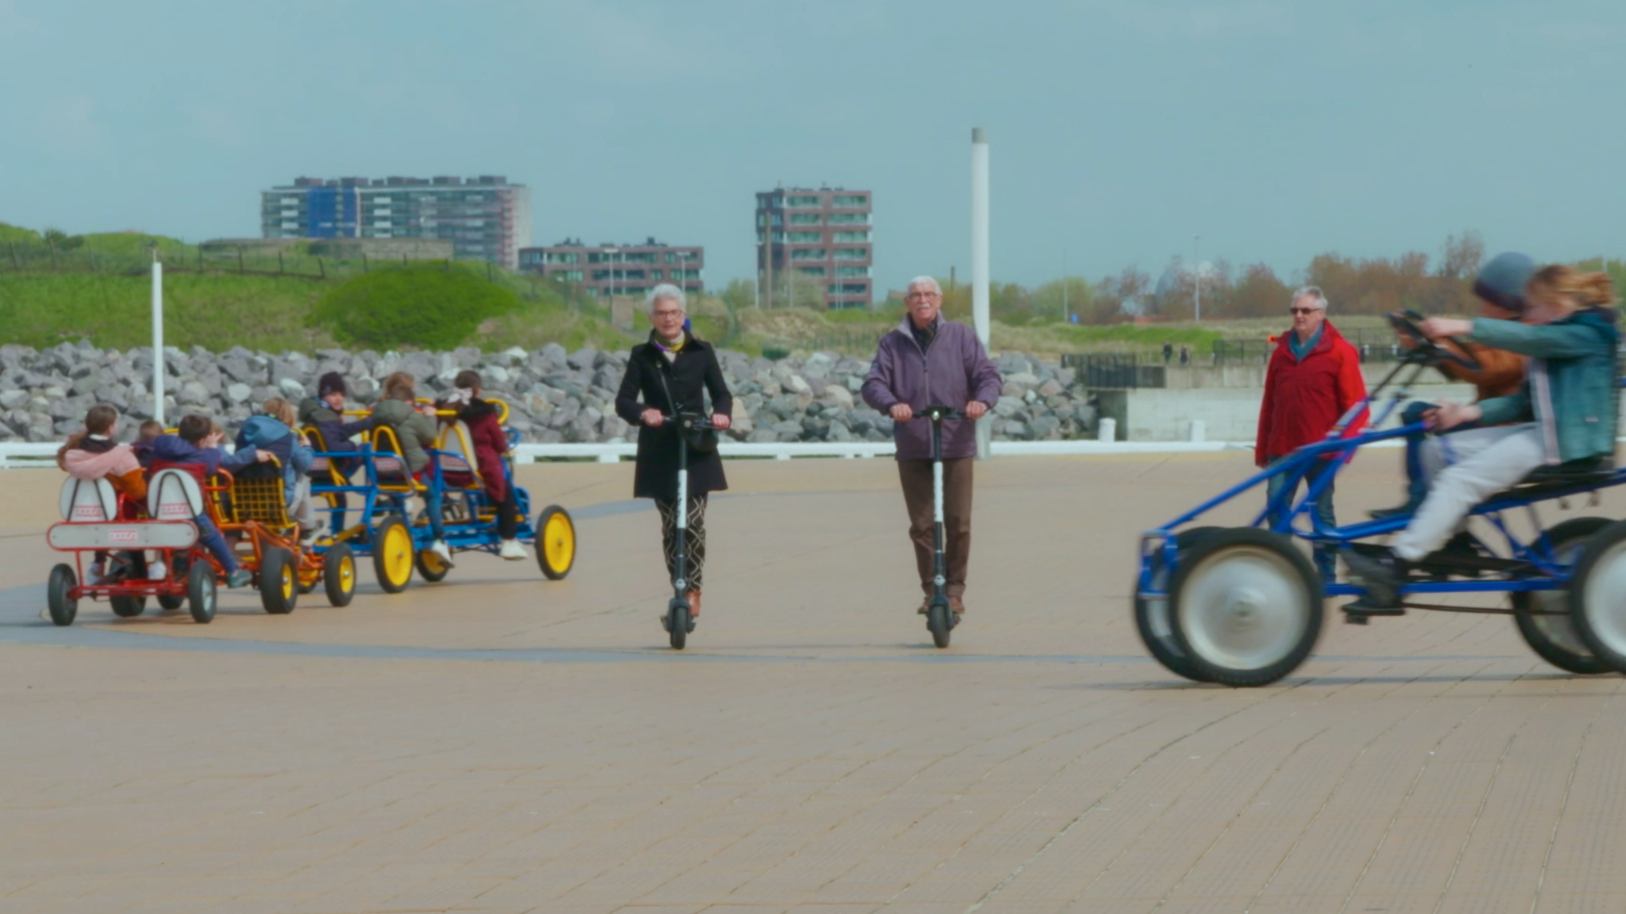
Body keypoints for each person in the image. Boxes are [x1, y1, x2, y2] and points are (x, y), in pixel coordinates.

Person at [1345, 265, 1620, 610]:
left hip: (1566, 445)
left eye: (1532, 308)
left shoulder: (1588, 334)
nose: (1528, 316)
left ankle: (1394, 566)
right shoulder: (1560, 335)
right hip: (1545, 432)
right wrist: (1465, 413)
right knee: (1435, 451)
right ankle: (1458, 545)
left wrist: (1460, 326)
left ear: (1558, 301)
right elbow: (1523, 401)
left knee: (1458, 480)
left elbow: (1528, 340)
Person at [861, 276, 1003, 619]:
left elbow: (988, 376)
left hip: (955, 439)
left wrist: (981, 402)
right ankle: (931, 590)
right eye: (915, 295)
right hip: (913, 441)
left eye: (928, 295)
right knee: (922, 525)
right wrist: (891, 403)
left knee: (958, 521)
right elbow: (873, 383)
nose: (922, 300)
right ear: (907, 302)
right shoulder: (892, 343)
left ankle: (954, 590)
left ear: (939, 300)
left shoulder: (961, 337)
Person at [1370, 252, 1531, 519]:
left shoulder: (1525, 336)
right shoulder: (1504, 327)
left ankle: (1421, 502)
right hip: (1488, 416)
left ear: (1507, 303)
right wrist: (1426, 341)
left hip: (1504, 425)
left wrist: (1438, 342)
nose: (1480, 308)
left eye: (1486, 301)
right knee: (1415, 412)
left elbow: (1485, 369)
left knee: (1420, 418)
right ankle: (1424, 502)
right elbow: (1465, 357)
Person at [613, 284, 733, 620]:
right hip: (660, 451)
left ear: (683, 315)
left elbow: (721, 393)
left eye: (674, 312)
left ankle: (694, 589)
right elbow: (623, 400)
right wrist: (642, 413)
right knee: (671, 527)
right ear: (651, 316)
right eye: (662, 313)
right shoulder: (642, 355)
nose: (669, 318)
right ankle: (679, 587)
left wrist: (722, 414)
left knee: (692, 522)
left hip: (695, 448)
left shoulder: (701, 351)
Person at [1255, 286, 1368, 580]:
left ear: (1321, 314)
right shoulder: (1280, 353)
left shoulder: (1340, 352)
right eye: (1295, 310)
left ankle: (1326, 576)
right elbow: (1269, 403)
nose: (1299, 316)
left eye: (1305, 310)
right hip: (1282, 448)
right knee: (1277, 510)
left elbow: (1356, 406)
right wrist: (1262, 449)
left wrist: (1343, 450)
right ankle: (1281, 575)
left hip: (1321, 452)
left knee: (1322, 514)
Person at [149, 414, 272, 588]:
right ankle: (233, 572)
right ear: (202, 440)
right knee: (213, 536)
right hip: (189, 512)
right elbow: (214, 464)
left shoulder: (160, 448)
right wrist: (212, 447)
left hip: (158, 510)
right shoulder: (203, 457)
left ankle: (176, 565)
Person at [438, 370, 526, 560]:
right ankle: (509, 539)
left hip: (447, 470)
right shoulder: (485, 414)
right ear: (477, 391)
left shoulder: (445, 411)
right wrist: (503, 446)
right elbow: (500, 444)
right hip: (478, 470)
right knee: (506, 492)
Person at [370, 371, 454, 566]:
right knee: (432, 495)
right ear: (408, 402)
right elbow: (430, 436)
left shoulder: (376, 415)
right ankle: (439, 539)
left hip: (383, 471)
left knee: (398, 492)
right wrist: (430, 417)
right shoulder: (411, 416)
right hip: (408, 473)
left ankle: (387, 510)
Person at [57, 405, 148, 583]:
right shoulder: (121, 456)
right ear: (111, 427)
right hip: (117, 517)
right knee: (131, 509)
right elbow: (138, 491)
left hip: (80, 514)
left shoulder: (73, 454)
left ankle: (98, 564)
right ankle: (141, 572)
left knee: (101, 510)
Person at [237, 398, 319, 542]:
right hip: (279, 504)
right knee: (302, 476)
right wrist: (307, 447)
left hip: (245, 504)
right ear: (287, 418)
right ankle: (308, 527)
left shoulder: (244, 434)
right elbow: (305, 464)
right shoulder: (287, 437)